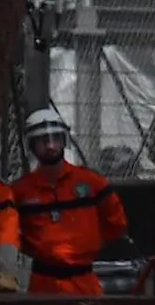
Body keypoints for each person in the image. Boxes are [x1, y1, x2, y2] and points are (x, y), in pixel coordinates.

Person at [11, 105, 128, 294]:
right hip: (44, 282)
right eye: (43, 140)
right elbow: (11, 233)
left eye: (55, 138)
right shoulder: (21, 191)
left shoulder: (92, 183)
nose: (50, 146)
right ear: (31, 145)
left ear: (64, 140)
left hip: (84, 280)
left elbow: (116, 223)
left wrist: (91, 244)